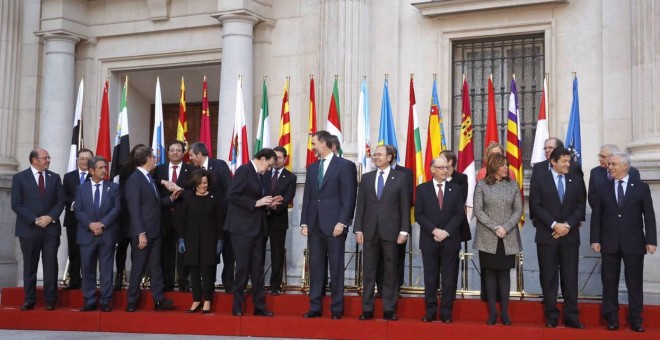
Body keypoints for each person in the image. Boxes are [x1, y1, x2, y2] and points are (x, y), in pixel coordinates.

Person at [590, 151, 657, 332]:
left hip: (634, 242)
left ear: (625, 166)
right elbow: (596, 216)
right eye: (609, 164)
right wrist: (595, 239)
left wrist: (651, 240)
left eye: (613, 164)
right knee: (609, 281)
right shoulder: (603, 187)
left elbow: (649, 216)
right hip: (609, 242)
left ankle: (636, 319)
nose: (609, 167)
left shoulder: (641, 187)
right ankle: (612, 318)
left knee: (634, 283)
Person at [300, 130, 357, 320]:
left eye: (314, 143)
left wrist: (342, 221)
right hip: (314, 225)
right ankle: (315, 307)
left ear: (323, 144)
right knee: (315, 267)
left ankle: (336, 309)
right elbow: (308, 196)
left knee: (336, 267)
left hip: (335, 225)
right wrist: (304, 222)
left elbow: (349, 198)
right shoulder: (312, 168)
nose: (313, 147)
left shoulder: (345, 166)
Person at [529, 147, 586, 328]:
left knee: (570, 277)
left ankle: (572, 316)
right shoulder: (540, 180)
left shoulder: (576, 180)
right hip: (547, 236)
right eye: (564, 161)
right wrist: (555, 225)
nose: (568, 165)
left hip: (569, 236)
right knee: (549, 277)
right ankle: (551, 316)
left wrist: (567, 226)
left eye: (569, 161)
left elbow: (580, 206)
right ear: (553, 162)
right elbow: (535, 206)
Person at [354, 144, 410, 321]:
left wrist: (404, 231)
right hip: (369, 231)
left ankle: (389, 309)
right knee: (369, 271)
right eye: (374, 155)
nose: (375, 157)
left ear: (390, 157)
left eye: (379, 154)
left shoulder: (400, 178)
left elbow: (404, 207)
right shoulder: (367, 178)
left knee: (390, 271)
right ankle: (367, 309)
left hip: (391, 232)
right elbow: (361, 205)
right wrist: (358, 228)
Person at [124, 146, 181, 312]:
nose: (156, 159)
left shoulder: (148, 178)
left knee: (156, 267)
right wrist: (140, 233)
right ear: (148, 159)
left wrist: (171, 198)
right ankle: (132, 302)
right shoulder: (135, 179)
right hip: (143, 233)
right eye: (154, 157)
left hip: (155, 231)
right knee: (139, 267)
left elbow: (153, 204)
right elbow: (134, 208)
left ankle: (159, 299)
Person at [225, 148, 279, 317]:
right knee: (242, 267)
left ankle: (259, 306)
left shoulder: (260, 175)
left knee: (257, 268)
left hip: (257, 228)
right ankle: (237, 306)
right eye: (269, 165)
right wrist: (255, 203)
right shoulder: (244, 170)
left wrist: (269, 203)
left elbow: (258, 198)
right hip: (241, 228)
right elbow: (232, 195)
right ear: (262, 159)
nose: (268, 169)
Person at [11, 148, 65, 311]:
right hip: (29, 229)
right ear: (34, 160)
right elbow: (16, 203)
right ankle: (29, 299)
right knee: (30, 264)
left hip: (50, 229)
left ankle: (50, 299)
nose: (48, 160)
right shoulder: (20, 178)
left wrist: (50, 217)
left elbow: (60, 201)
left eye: (48, 157)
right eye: (45, 158)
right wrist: (34, 220)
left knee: (50, 264)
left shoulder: (54, 178)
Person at [472, 153, 522, 325]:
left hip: (507, 237)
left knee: (504, 274)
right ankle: (493, 312)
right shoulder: (481, 186)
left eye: (507, 165)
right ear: (494, 167)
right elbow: (478, 210)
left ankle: (505, 313)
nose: (507, 168)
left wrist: (505, 227)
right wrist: (495, 227)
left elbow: (518, 210)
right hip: (488, 236)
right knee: (490, 273)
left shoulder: (513, 185)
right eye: (503, 165)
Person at [415, 155, 466, 323]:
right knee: (430, 278)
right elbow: (419, 215)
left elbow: (459, 214)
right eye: (441, 167)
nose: (445, 170)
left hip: (450, 240)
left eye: (447, 167)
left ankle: (446, 313)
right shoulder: (422, 189)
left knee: (449, 278)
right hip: (430, 240)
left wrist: (446, 232)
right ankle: (430, 312)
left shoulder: (455, 188)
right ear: (432, 169)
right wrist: (435, 231)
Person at [74, 156, 121, 312]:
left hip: (106, 235)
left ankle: (106, 301)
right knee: (87, 269)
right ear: (91, 170)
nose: (104, 170)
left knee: (106, 270)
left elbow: (117, 209)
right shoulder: (81, 188)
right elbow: (78, 210)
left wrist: (102, 224)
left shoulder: (113, 187)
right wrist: (90, 225)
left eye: (105, 167)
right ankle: (89, 300)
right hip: (87, 235)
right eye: (101, 168)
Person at [175, 169, 224, 314]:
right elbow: (182, 221)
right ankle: (196, 300)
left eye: (205, 183)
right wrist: (181, 239)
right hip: (191, 241)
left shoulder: (215, 198)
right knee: (194, 272)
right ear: (194, 184)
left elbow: (220, 222)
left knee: (207, 272)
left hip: (210, 241)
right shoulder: (188, 198)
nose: (203, 186)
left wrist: (220, 240)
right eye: (200, 183)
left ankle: (207, 301)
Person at [189, 142, 233, 292]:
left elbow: (229, 188)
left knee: (226, 250)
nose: (190, 158)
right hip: (205, 219)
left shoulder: (219, 165)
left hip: (222, 216)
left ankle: (228, 283)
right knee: (208, 252)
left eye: (192, 155)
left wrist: (224, 211)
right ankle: (209, 284)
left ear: (199, 154)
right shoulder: (195, 170)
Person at [153, 140, 194, 292]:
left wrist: (180, 191)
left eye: (178, 150)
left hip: (184, 216)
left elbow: (196, 191)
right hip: (164, 216)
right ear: (167, 153)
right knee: (166, 250)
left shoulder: (191, 169)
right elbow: (152, 186)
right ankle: (167, 282)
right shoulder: (159, 169)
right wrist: (162, 182)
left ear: (184, 153)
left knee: (184, 251)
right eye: (172, 150)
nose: (175, 153)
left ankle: (183, 281)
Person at [261, 146, 297, 295]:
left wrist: (274, 206)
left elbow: (288, 198)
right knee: (258, 252)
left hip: (278, 220)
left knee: (277, 253)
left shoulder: (290, 177)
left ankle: (275, 285)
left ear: (285, 159)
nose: (276, 161)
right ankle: (258, 283)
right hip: (261, 218)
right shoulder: (263, 173)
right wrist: (269, 204)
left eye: (279, 158)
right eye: (274, 158)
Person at [529, 137, 583, 222]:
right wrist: (533, 217)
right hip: (544, 221)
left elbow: (581, 194)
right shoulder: (538, 167)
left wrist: (577, 220)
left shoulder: (573, 167)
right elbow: (533, 193)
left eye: (550, 148)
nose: (547, 150)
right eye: (545, 148)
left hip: (568, 221)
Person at [114, 144, 145, 291]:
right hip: (125, 216)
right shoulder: (126, 169)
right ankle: (119, 275)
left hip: (140, 217)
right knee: (122, 247)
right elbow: (123, 191)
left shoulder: (149, 170)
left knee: (137, 249)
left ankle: (136, 278)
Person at [62, 148, 93, 290]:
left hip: (90, 221)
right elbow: (64, 195)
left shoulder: (95, 175)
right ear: (77, 160)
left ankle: (88, 282)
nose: (85, 161)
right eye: (82, 158)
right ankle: (74, 281)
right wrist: (75, 203)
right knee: (73, 251)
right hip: (73, 220)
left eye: (87, 159)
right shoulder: (69, 177)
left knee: (88, 253)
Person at [587, 144, 640, 209]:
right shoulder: (595, 172)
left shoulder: (632, 172)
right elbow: (592, 196)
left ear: (613, 157)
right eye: (599, 156)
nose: (600, 159)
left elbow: (637, 195)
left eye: (603, 156)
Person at [439, 150, 471, 242]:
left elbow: (461, 199)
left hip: (455, 223)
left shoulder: (461, 178)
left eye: (442, 159)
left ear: (450, 162)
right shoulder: (437, 177)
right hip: (439, 224)